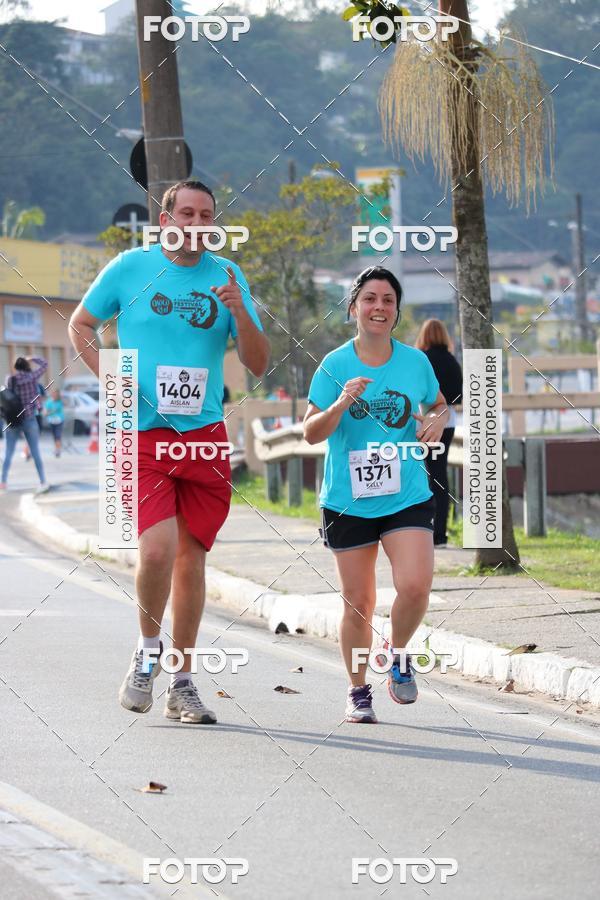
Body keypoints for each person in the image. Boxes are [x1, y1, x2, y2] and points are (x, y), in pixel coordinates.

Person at [69, 180, 269, 725]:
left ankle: (182, 682)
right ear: (165, 219)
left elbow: (258, 363)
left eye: (207, 215)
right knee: (156, 550)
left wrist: (241, 313)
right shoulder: (130, 268)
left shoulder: (229, 277)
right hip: (144, 434)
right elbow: (81, 324)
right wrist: (113, 381)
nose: (197, 222)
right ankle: (146, 650)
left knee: (191, 560)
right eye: (187, 212)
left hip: (203, 438)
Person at [303, 267, 448, 724]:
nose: (379, 307)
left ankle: (399, 653)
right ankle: (357, 689)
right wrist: (341, 403)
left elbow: (439, 404)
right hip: (348, 498)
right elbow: (310, 432)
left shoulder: (415, 362)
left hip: (405, 492)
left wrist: (437, 421)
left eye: (388, 300)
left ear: (396, 311)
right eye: (370, 298)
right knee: (359, 602)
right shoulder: (334, 365)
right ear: (354, 308)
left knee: (414, 585)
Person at [415, 319, 462, 546]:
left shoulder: (421, 361)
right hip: (449, 423)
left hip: (424, 423)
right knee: (439, 475)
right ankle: (440, 532)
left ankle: (424, 528)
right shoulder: (452, 361)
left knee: (423, 476)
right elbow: (458, 396)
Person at [0, 356, 48, 491]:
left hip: (13, 419)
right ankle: (42, 481)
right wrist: (32, 358)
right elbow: (45, 364)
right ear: (26, 365)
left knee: (8, 452)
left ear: (15, 367)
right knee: (35, 452)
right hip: (30, 418)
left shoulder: (10, 379)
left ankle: (3, 481)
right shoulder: (32, 377)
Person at [44, 388, 65, 457]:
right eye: (53, 394)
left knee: (58, 435)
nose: (54, 395)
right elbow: (45, 412)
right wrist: (47, 413)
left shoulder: (60, 401)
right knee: (54, 436)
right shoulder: (49, 402)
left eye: (56, 394)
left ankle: (58, 450)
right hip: (52, 421)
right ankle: (57, 448)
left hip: (59, 420)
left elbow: (64, 405)